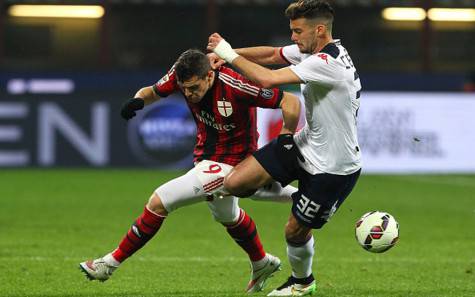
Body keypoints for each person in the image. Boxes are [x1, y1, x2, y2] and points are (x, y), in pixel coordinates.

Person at [79, 49, 301, 293]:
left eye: (194, 88)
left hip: (235, 164)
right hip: (206, 159)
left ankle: (109, 264)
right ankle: (263, 260)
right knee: (227, 216)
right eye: (184, 89)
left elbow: (288, 100)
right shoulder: (180, 74)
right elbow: (152, 92)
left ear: (209, 76)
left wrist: (286, 136)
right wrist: (138, 100)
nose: (188, 94)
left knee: (160, 200)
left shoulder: (236, 85)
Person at [207, 1, 362, 296]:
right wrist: (226, 56)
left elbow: (268, 78)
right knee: (236, 183)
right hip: (307, 144)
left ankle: (302, 282)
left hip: (334, 166)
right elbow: (271, 55)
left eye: (297, 31)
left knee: (294, 230)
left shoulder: (328, 64)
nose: (292, 37)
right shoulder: (313, 51)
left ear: (319, 30)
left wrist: (226, 51)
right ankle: (295, 195)